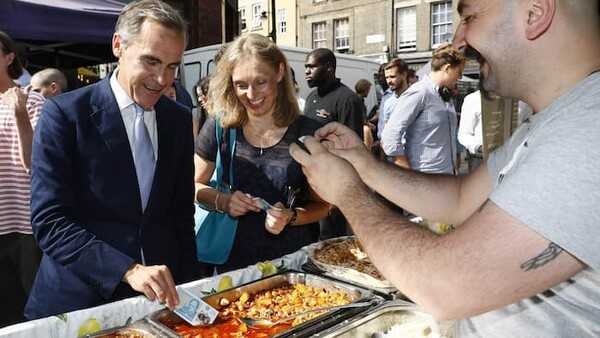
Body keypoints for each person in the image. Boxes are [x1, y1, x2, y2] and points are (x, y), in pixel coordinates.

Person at [289, 0, 600, 336]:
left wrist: (346, 191)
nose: (459, 39)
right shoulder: (557, 118)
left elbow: (444, 283)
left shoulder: (586, 129)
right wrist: (363, 165)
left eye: (469, 17)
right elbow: (459, 199)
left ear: (536, 12)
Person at [26, 0, 200, 319]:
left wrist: (190, 291)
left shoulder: (177, 119)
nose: (163, 79)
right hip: (80, 303)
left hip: (161, 305)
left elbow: (180, 216)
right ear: (118, 45)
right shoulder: (65, 115)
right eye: (151, 61)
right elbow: (50, 222)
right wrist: (128, 269)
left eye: (173, 66)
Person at [194, 33, 329, 273]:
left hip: (293, 265)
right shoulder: (221, 125)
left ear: (279, 72)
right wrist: (223, 201)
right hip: (234, 264)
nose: (251, 94)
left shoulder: (308, 132)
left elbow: (323, 205)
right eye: (241, 85)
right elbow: (193, 185)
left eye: (260, 82)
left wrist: (291, 216)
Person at [0, 30, 44, 328]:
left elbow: (35, 164)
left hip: (24, 224)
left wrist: (18, 114)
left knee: (34, 310)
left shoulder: (31, 100)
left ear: (9, 57)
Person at [303, 48, 363, 239]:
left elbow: (354, 151)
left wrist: (339, 196)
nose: (307, 71)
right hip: (311, 186)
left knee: (331, 244)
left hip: (334, 190)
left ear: (329, 67)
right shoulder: (312, 98)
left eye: (312, 66)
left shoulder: (347, 99)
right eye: (306, 67)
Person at [381, 43, 466, 174]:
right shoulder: (419, 92)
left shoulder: (445, 95)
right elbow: (389, 136)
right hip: (425, 180)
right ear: (448, 68)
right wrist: (409, 175)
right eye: (459, 72)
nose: (460, 77)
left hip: (447, 179)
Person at [379, 58, 410, 140]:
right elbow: (385, 131)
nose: (389, 81)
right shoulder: (388, 102)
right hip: (395, 150)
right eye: (387, 77)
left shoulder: (417, 97)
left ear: (404, 74)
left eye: (392, 77)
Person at [457, 89, 483, 171]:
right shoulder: (474, 99)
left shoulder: (520, 101)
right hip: (482, 160)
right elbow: (464, 134)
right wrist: (479, 147)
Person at [354, 78, 373, 149]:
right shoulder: (358, 101)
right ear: (365, 89)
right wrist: (368, 124)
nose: (368, 92)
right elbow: (360, 118)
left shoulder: (357, 100)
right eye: (368, 90)